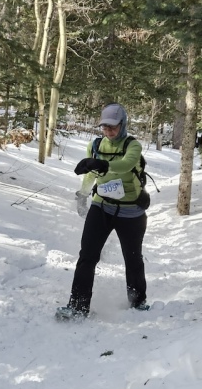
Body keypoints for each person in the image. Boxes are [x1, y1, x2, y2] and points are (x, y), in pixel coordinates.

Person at [56, 103, 149, 320]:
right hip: (101, 206)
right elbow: (91, 174)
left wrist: (102, 165)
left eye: (113, 127)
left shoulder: (133, 145)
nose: (108, 131)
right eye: (105, 127)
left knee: (133, 258)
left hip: (130, 211)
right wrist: (83, 194)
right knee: (87, 256)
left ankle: (137, 302)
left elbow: (126, 165)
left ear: (123, 125)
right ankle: (78, 306)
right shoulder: (96, 145)